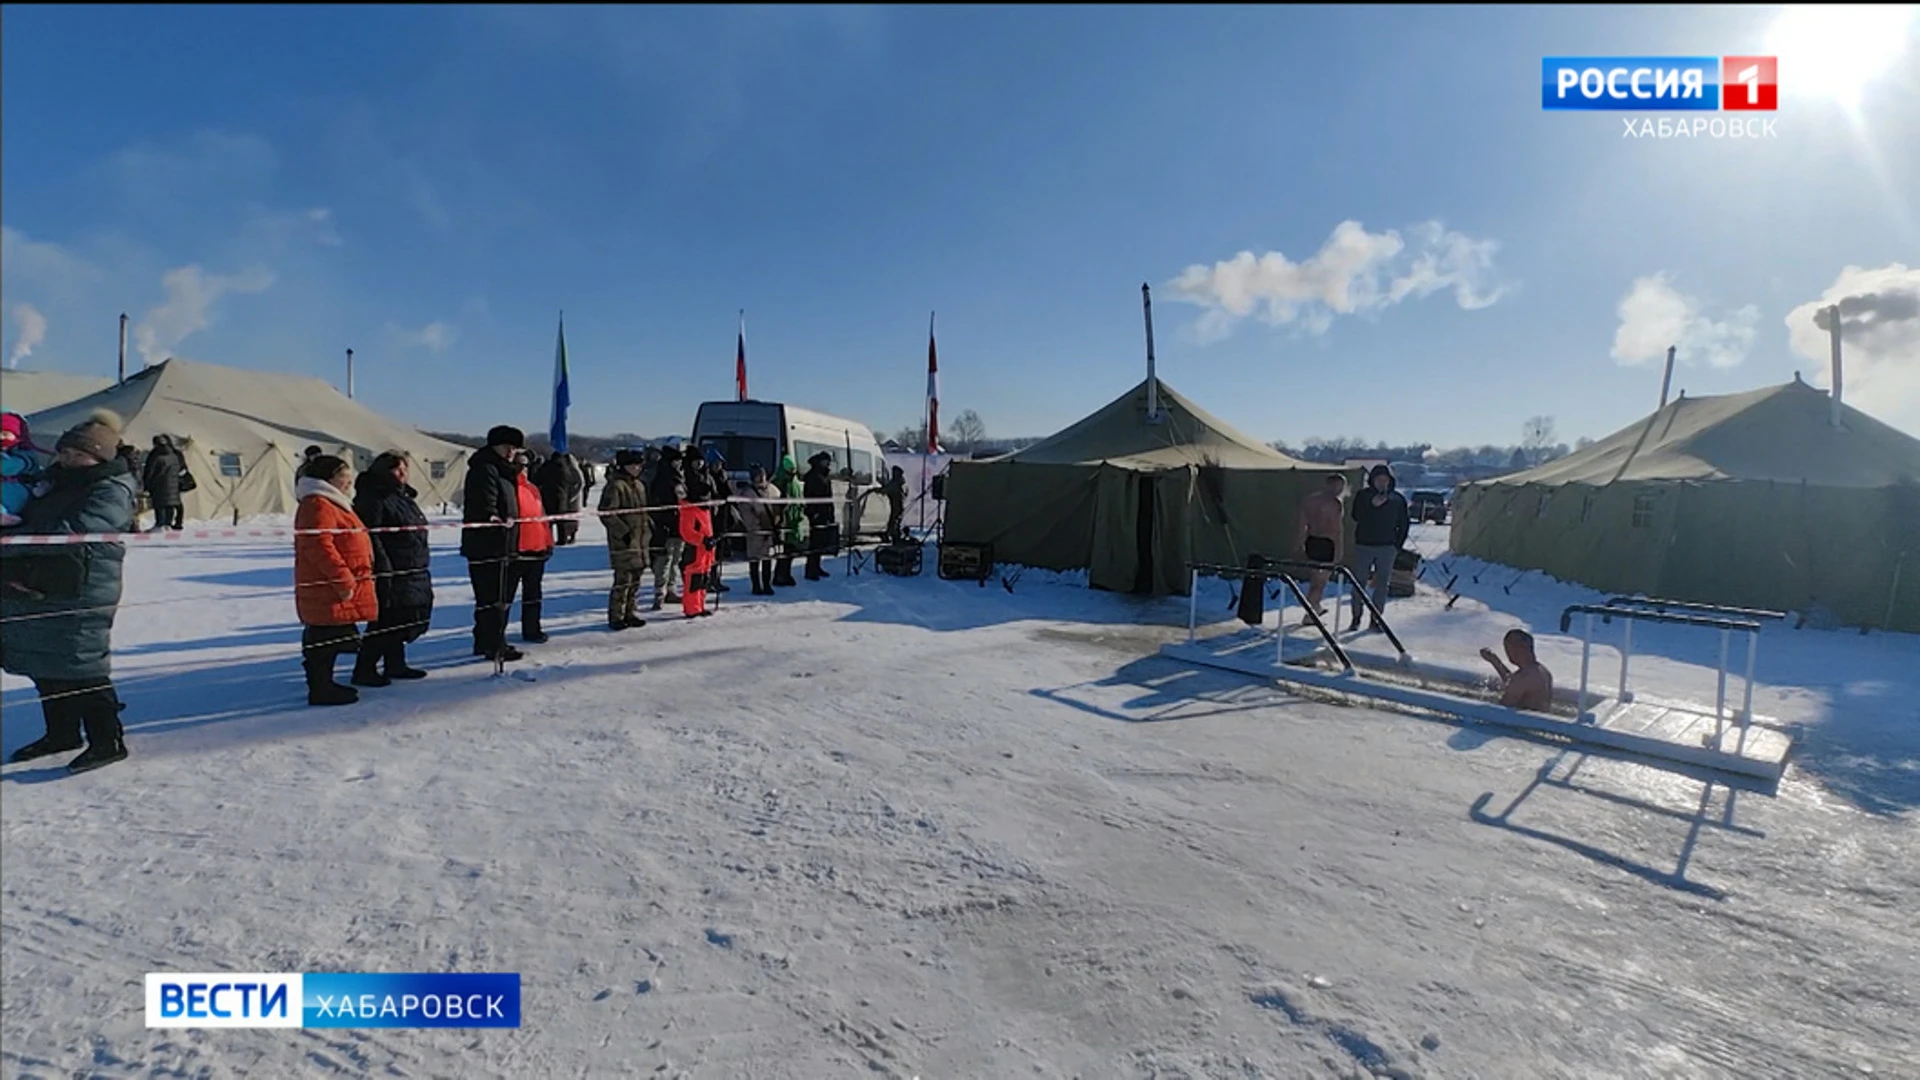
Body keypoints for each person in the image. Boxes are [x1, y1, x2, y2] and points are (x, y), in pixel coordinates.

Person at [0, 410, 137, 771]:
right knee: (47, 662)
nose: (69, 459)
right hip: (45, 580)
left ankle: (107, 740)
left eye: (79, 455)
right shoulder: (55, 480)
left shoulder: (112, 488)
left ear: (100, 457)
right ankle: (61, 733)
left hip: (83, 585)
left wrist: (12, 540)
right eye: (65, 452)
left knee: (81, 663)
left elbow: (74, 532)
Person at [293, 455, 379, 706]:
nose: (349, 480)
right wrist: (342, 579)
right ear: (329, 478)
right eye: (344, 475)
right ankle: (320, 688)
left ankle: (325, 684)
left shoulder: (331, 502)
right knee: (322, 636)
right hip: (327, 584)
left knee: (330, 634)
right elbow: (319, 545)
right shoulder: (317, 504)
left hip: (332, 583)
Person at [352, 450, 433, 683]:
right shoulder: (373, 497)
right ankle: (364, 669)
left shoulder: (402, 496)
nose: (403, 473)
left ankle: (395, 664)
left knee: (401, 618)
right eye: (397, 469)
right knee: (385, 620)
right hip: (391, 565)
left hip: (411, 564)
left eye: (405, 469)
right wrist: (383, 566)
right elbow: (372, 536)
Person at [461, 425, 527, 663]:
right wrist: (493, 519)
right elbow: (484, 504)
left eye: (514, 448)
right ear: (494, 446)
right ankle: (493, 643)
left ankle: (487, 640)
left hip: (506, 543)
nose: (511, 452)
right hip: (488, 545)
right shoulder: (486, 469)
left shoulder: (504, 471)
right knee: (493, 598)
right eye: (507, 447)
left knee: (498, 598)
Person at [1347, 463, 1410, 633]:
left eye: (1385, 480)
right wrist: (1371, 506)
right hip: (1364, 546)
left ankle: (1376, 619)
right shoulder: (1363, 496)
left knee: (1382, 584)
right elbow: (1356, 516)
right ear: (1372, 481)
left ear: (1390, 481)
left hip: (1387, 547)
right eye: (1379, 479)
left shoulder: (1397, 499)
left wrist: (1397, 546)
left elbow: (1404, 524)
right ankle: (1356, 617)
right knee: (1359, 583)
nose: (1382, 483)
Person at [599, 449, 651, 630]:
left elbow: (643, 511)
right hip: (624, 542)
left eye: (639, 465)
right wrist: (623, 532)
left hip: (641, 540)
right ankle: (616, 616)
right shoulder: (615, 486)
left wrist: (650, 525)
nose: (637, 468)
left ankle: (630, 611)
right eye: (633, 465)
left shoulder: (639, 485)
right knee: (623, 581)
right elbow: (607, 513)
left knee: (636, 580)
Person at [511, 448, 554, 642]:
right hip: (516, 551)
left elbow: (542, 517)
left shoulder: (532, 488)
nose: (523, 469)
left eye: (526, 465)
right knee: (506, 597)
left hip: (536, 550)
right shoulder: (507, 488)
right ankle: (494, 637)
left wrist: (548, 541)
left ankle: (532, 629)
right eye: (518, 465)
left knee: (533, 595)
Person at [1296, 472, 1349, 617]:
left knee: (1316, 579)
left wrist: (1301, 543)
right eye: (1338, 486)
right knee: (1320, 581)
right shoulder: (1335, 503)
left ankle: (1315, 607)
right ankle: (1310, 613)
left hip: (1312, 541)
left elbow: (1302, 525)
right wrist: (1339, 550)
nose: (1339, 489)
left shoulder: (1310, 500)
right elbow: (1337, 530)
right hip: (1326, 544)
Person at [646, 446, 687, 610]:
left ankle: (671, 589)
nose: (679, 463)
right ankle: (660, 592)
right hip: (665, 525)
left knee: (676, 559)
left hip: (679, 524)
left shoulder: (678, 476)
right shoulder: (661, 477)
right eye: (677, 460)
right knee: (665, 559)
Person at [1481, 629, 1555, 712]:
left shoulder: (1523, 677)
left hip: (1523, 724)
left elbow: (1500, 712)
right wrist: (1495, 661)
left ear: (1522, 647)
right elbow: (1512, 683)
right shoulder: (1542, 671)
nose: (1508, 651)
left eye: (1509, 646)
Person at [677, 465, 717, 618]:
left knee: (702, 580)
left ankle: (699, 605)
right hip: (695, 549)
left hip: (705, 552)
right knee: (693, 581)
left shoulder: (704, 510)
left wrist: (711, 540)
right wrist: (703, 540)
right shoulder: (689, 510)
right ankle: (691, 608)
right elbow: (686, 532)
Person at [737, 464, 780, 595]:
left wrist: (777, 522)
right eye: (757, 476)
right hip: (755, 532)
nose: (761, 478)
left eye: (762, 475)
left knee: (767, 559)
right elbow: (746, 514)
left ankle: (767, 585)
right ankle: (756, 586)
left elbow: (779, 506)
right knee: (755, 559)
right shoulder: (747, 494)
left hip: (770, 530)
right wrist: (756, 527)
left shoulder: (773, 490)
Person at [2, 411, 47, 529]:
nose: (1, 437)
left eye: (5, 433)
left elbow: (36, 470)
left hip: (21, 491)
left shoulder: (24, 455)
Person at [534, 449, 586, 547]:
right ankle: (562, 538)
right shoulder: (567, 468)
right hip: (562, 496)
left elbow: (537, 479)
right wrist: (571, 494)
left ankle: (548, 539)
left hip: (547, 495)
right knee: (561, 519)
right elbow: (575, 481)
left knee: (548, 520)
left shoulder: (546, 466)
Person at [769, 454, 806, 588]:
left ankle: (786, 573)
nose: (792, 473)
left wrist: (801, 509)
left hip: (795, 520)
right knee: (783, 550)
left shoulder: (794, 482)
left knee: (792, 549)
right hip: (784, 521)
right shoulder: (779, 482)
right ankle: (779, 575)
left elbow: (799, 498)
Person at [802, 451, 836, 581]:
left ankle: (817, 566)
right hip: (816, 513)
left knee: (821, 542)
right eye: (826, 461)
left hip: (824, 511)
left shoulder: (824, 474)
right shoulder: (813, 476)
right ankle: (810, 569)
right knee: (815, 542)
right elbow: (809, 495)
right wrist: (813, 512)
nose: (828, 463)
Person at [143, 433, 186, 531]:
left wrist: (147, 484)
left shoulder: (156, 456)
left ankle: (160, 524)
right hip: (173, 483)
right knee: (170, 504)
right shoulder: (174, 455)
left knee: (160, 504)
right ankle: (168, 523)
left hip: (159, 483)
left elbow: (150, 471)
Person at [878, 465, 908, 542]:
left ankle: (894, 536)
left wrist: (875, 489)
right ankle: (893, 535)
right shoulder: (903, 482)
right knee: (896, 520)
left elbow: (885, 490)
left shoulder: (896, 483)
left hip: (896, 505)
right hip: (899, 504)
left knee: (894, 521)